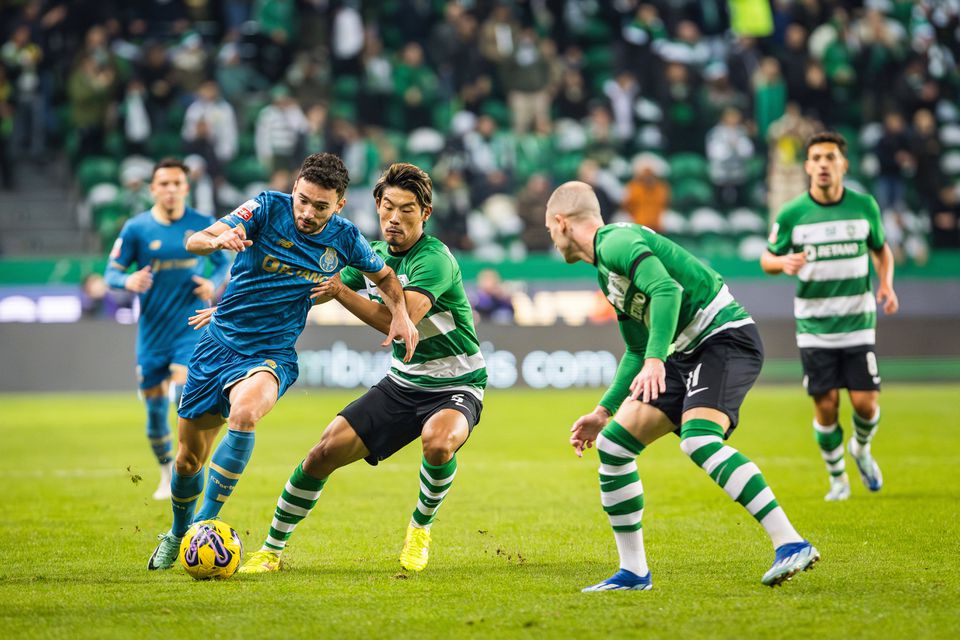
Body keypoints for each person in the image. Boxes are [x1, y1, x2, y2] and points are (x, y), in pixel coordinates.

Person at [146, 153, 419, 570]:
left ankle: (204, 524)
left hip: (272, 354)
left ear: (340, 205)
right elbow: (194, 240)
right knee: (187, 460)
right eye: (303, 200)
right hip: (217, 346)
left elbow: (385, 278)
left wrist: (399, 313)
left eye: (321, 206)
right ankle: (178, 531)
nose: (308, 213)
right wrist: (218, 241)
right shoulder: (266, 207)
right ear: (294, 189)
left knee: (245, 413)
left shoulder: (345, 239)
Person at [546, 181, 818, 591]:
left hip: (725, 337)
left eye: (549, 228)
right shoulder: (608, 274)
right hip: (687, 350)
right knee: (614, 445)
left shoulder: (616, 241)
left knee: (698, 440)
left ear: (561, 222)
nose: (551, 237)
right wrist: (603, 412)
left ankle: (791, 542)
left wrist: (658, 358)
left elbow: (666, 289)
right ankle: (634, 572)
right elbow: (637, 352)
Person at [232, 162, 487, 574]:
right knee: (321, 453)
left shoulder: (434, 260)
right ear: (376, 206)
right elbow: (310, 290)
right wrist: (236, 308)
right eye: (387, 207)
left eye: (407, 209)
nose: (394, 218)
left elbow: (397, 323)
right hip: (402, 385)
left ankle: (420, 529)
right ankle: (271, 550)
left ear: (425, 214)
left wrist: (340, 291)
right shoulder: (374, 254)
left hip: (456, 384)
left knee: (438, 444)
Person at [761, 131, 899, 502]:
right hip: (814, 327)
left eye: (830, 157)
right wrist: (782, 262)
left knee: (866, 404)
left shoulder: (864, 205)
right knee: (826, 406)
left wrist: (885, 284)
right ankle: (838, 479)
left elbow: (882, 251)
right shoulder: (792, 213)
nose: (823, 164)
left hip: (857, 322)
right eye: (817, 158)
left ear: (843, 164)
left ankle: (862, 449)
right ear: (807, 166)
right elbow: (766, 258)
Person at [104, 158, 229, 501]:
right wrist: (127, 279)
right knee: (155, 411)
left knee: (181, 392)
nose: (171, 190)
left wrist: (213, 283)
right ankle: (165, 472)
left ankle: (186, 466)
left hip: (191, 328)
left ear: (186, 188)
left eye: (177, 183)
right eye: (164, 184)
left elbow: (223, 262)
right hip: (152, 333)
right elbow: (110, 273)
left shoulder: (202, 224)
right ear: (153, 189)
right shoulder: (136, 229)